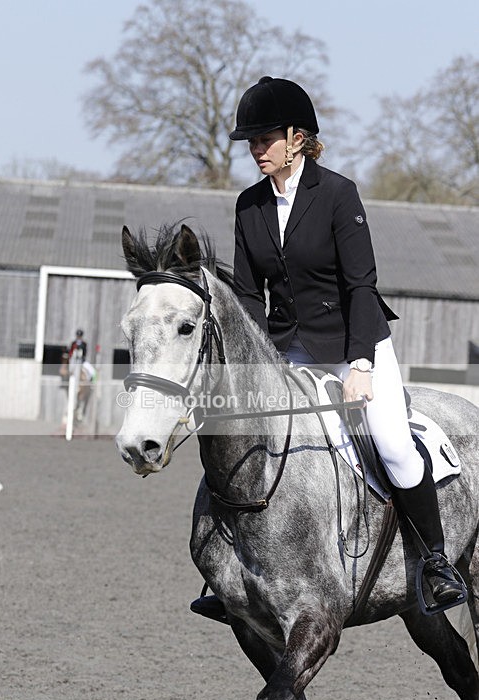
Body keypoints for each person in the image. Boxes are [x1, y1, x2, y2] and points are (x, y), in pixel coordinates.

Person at [191, 76, 465, 623]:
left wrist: (361, 364)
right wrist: (249, 370)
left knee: (389, 440)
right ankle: (229, 572)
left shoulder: (338, 194)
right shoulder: (249, 205)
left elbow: (362, 285)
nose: (255, 148)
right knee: (250, 440)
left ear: (297, 137)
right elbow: (248, 295)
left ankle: (436, 562)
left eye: (264, 138)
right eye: (251, 140)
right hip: (290, 350)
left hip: (354, 342)